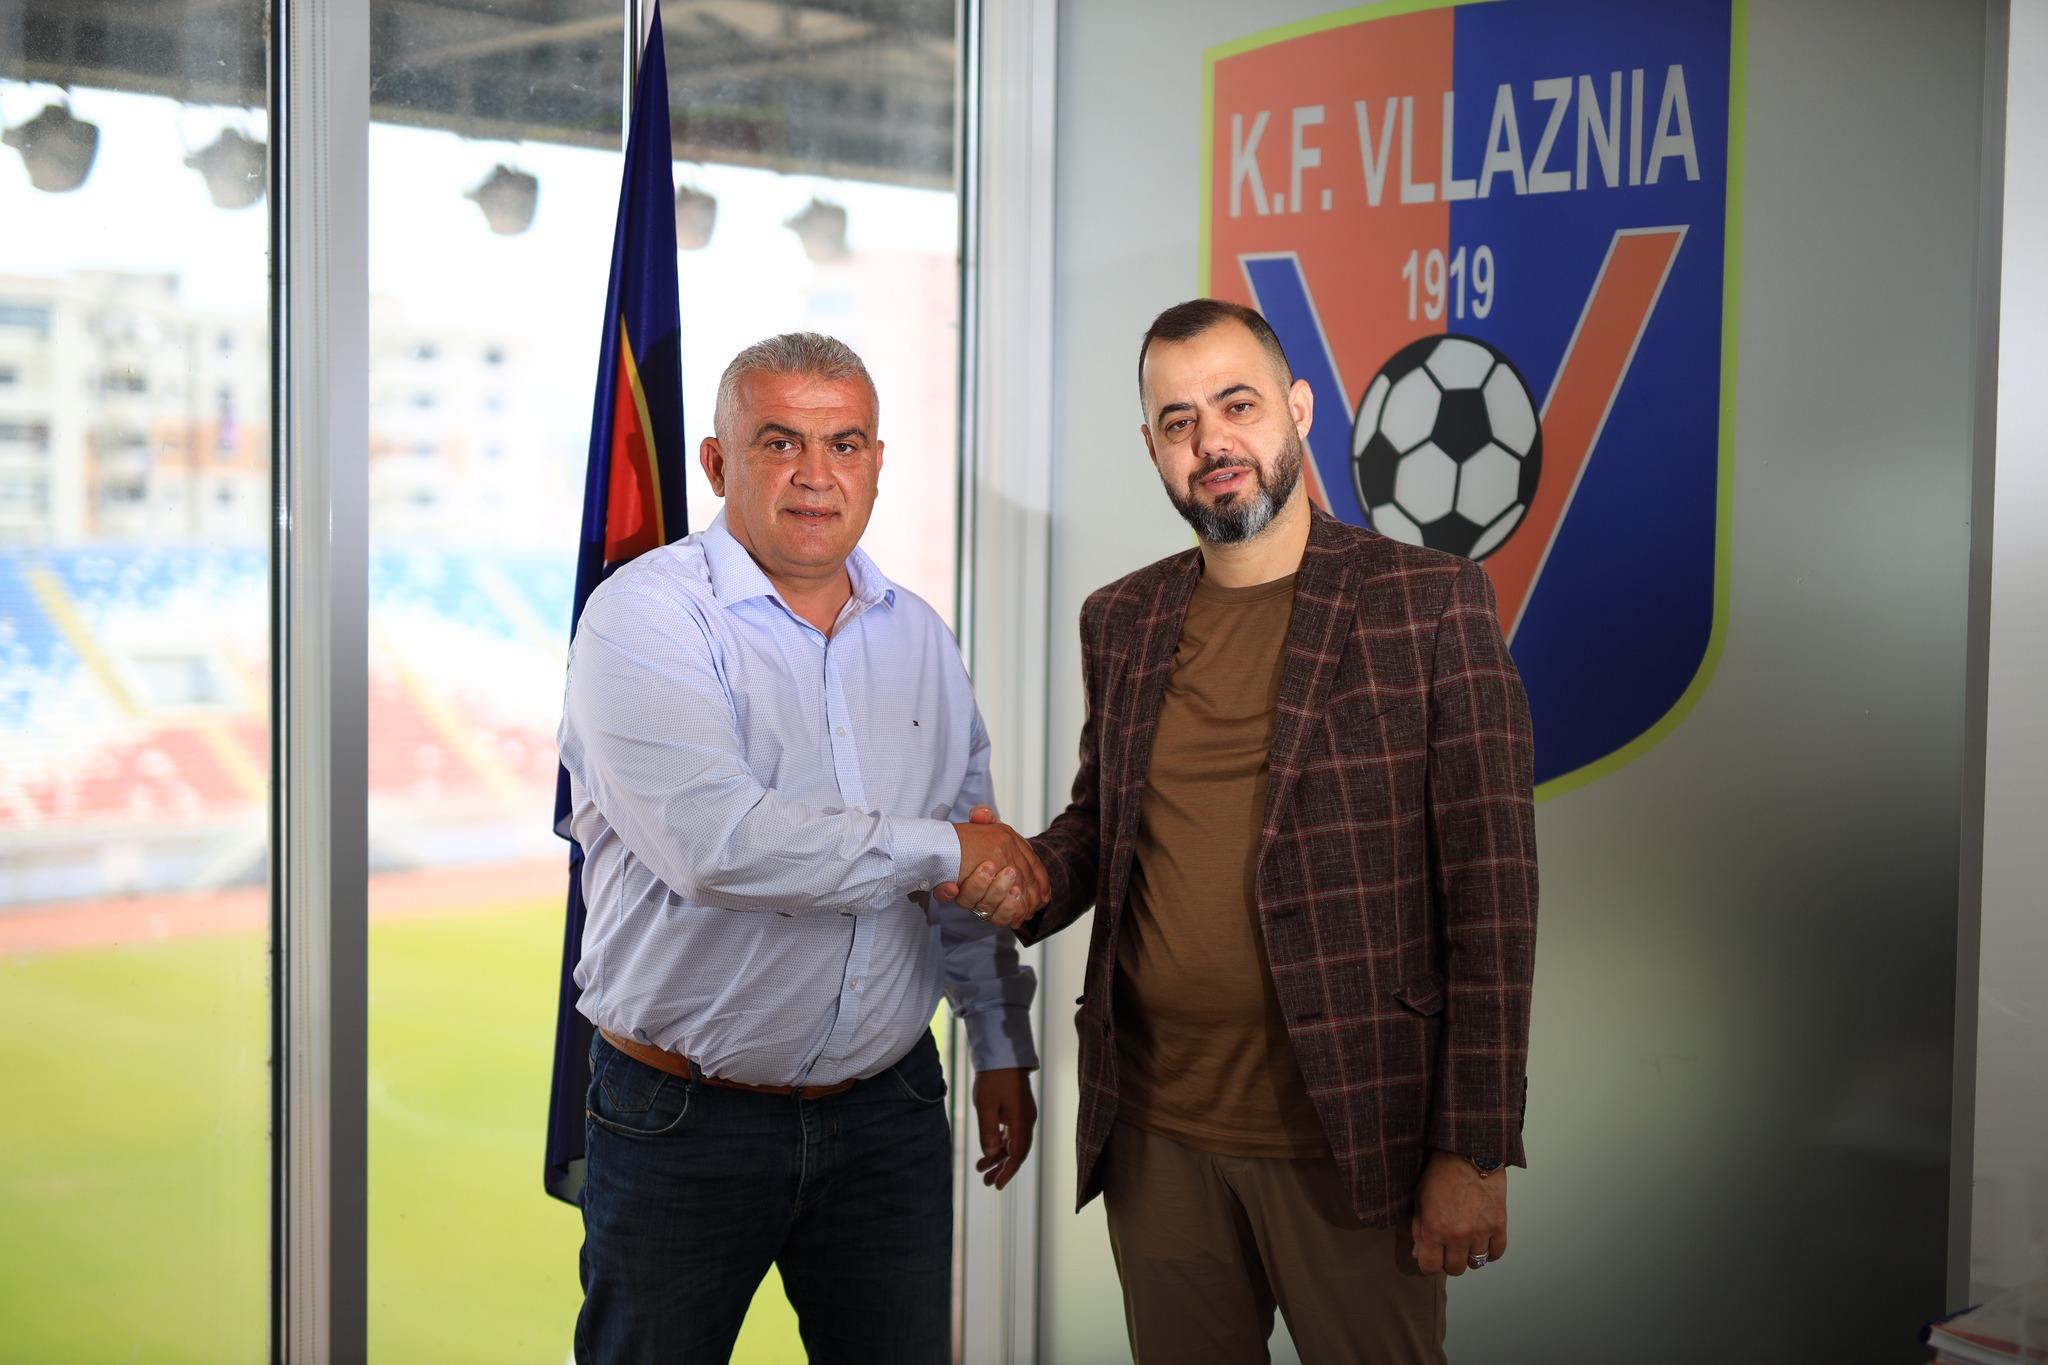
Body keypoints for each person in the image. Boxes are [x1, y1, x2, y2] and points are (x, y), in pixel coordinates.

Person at [945, 300, 1538, 1363]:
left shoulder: (1428, 603)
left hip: (1352, 1127)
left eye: (1236, 405)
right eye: (1178, 422)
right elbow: (1105, 824)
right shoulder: (1121, 619)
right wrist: (1027, 873)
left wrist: (1475, 1146)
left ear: (1297, 409)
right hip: (1155, 1129)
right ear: (1151, 448)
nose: (1210, 441)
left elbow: (1493, 898)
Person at [559, 331, 1047, 1365]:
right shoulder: (643, 617)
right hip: (683, 1123)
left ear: (877, 461)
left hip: (888, 1113)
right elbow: (717, 844)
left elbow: (966, 861)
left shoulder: (920, 638)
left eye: (845, 444)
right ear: (716, 463)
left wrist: (998, 1040)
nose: (816, 474)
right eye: (779, 442)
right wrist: (945, 851)